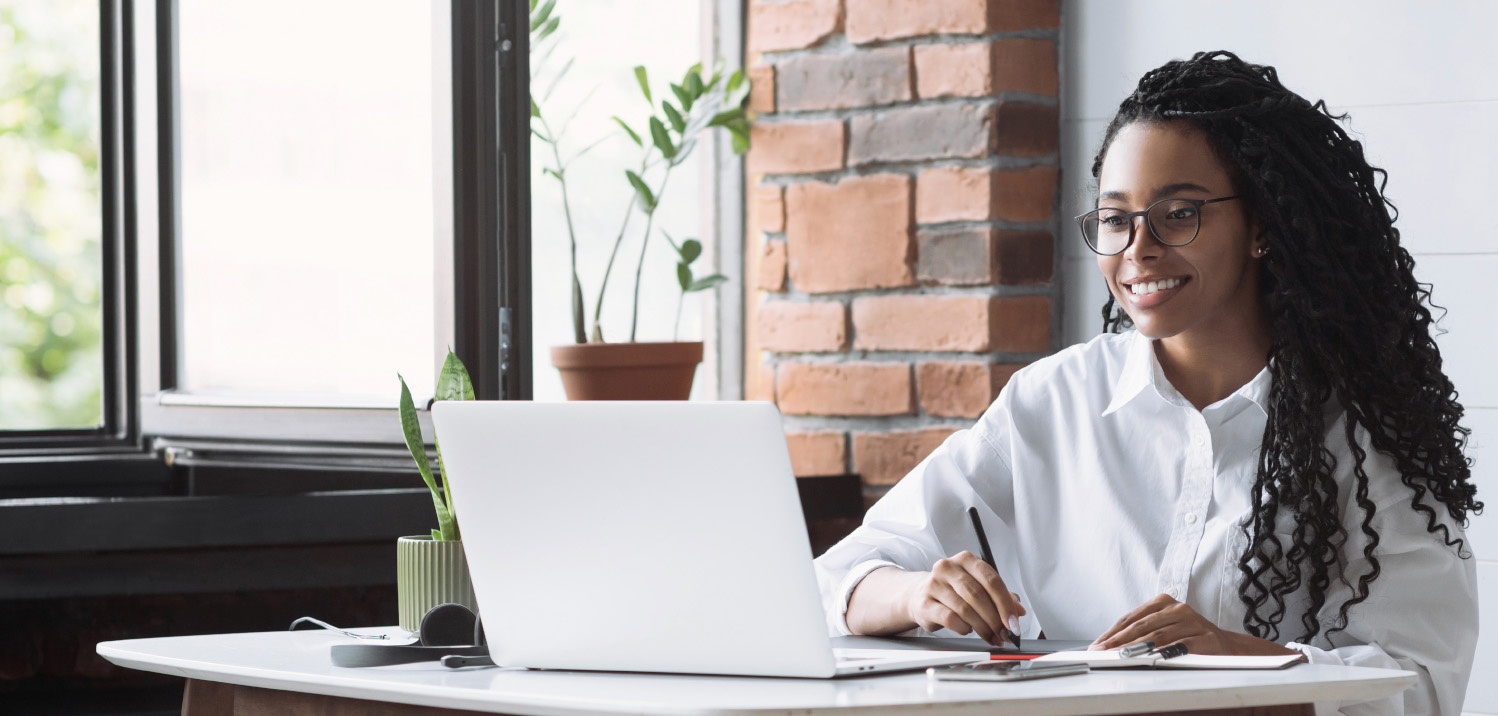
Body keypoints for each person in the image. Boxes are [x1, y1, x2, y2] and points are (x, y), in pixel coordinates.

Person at [813, 51, 1481, 716]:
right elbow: (829, 582)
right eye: (1114, 219)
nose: (1138, 248)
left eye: (1178, 213)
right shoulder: (1053, 401)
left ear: (1263, 228)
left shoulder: (1362, 430)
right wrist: (916, 593)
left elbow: (1420, 681)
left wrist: (1238, 661)